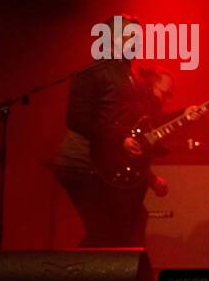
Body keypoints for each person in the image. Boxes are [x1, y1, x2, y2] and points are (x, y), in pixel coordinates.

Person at [52, 18, 189, 247]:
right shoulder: (93, 73)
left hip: (107, 165)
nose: (138, 41)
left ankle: (118, 278)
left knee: (126, 226)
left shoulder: (132, 78)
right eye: (130, 36)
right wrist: (118, 140)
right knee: (106, 230)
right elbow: (77, 119)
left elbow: (146, 124)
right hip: (82, 164)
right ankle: (84, 277)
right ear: (113, 40)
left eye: (138, 36)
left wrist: (185, 114)